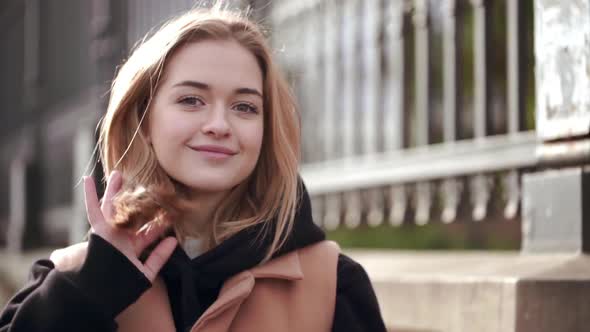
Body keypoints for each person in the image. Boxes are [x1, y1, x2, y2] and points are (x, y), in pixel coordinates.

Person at [0, 5, 387, 332]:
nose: (219, 124)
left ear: (266, 131)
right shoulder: (69, 276)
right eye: (191, 100)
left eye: (245, 107)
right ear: (143, 120)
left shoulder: (332, 286)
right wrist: (95, 286)